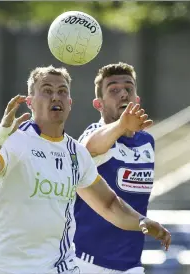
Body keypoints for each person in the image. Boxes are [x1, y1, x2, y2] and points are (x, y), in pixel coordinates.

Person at [0, 65, 171, 274]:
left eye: (62, 92)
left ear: (70, 103)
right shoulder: (14, 142)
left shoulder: (75, 152)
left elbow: (109, 204)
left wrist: (142, 221)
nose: (55, 97)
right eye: (47, 91)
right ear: (30, 102)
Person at [74, 62, 159, 274]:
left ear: (137, 98)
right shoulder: (94, 134)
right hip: (87, 262)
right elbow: (89, 149)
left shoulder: (147, 141)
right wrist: (121, 125)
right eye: (113, 90)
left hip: (129, 264)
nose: (123, 94)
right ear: (98, 104)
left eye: (129, 89)